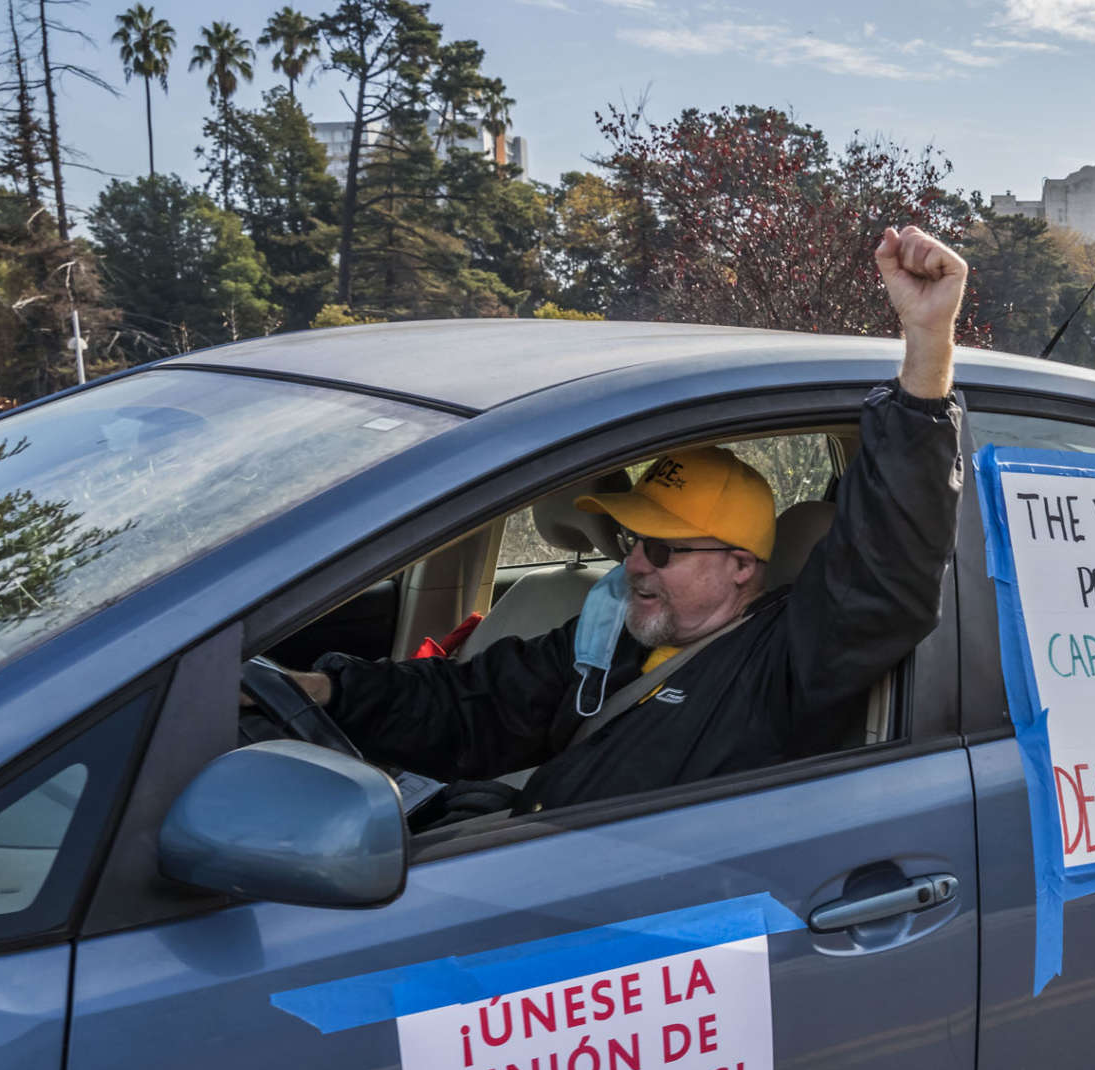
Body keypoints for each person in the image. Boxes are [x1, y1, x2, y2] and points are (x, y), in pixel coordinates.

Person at [283, 225, 970, 814]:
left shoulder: (788, 663)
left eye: (663, 550)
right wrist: (330, 689)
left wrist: (927, 345)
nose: (633, 562)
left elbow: (887, 575)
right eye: (635, 540)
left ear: (740, 566)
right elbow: (474, 703)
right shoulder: (611, 635)